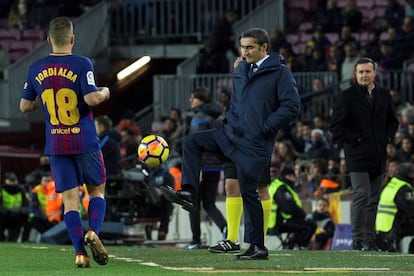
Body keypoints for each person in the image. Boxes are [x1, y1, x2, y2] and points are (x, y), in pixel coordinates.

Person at [162, 27, 301, 260]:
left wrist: (265, 128)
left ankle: (258, 247)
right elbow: (237, 101)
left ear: (264, 48)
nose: (244, 52)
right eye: (242, 47)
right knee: (191, 142)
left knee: (249, 191)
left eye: (250, 48)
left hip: (255, 144)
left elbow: (292, 106)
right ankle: (188, 192)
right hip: (229, 134)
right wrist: (228, 122)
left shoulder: (280, 73)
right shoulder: (240, 69)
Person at [19, 17, 110, 268]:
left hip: (56, 143)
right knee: (96, 191)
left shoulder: (36, 67)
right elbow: (91, 99)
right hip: (84, 140)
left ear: (49, 40)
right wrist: (105, 91)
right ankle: (93, 231)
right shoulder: (82, 63)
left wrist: (42, 99)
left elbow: (24, 105)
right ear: (72, 39)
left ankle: (80, 253)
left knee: (70, 200)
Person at [329, 57, 399, 251]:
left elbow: (393, 122)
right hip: (357, 155)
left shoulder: (384, 95)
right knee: (362, 194)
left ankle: (369, 239)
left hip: (378, 155)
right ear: (355, 74)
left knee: (374, 198)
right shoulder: (346, 96)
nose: (364, 75)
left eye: (368, 71)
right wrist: (355, 139)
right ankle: (358, 239)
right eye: (360, 72)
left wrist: (387, 138)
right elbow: (335, 126)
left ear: (374, 73)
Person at [183, 87, 227, 250]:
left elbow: (198, 143)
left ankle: (195, 241)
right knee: (209, 203)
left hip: (202, 166)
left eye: (193, 98)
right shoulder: (218, 116)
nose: (190, 100)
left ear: (201, 100)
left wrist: (198, 168)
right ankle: (226, 230)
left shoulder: (199, 118)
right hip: (215, 166)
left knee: (192, 204)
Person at [267, 166, 316, 249]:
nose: (295, 179)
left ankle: (292, 245)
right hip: (277, 223)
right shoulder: (281, 188)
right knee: (309, 226)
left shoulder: (278, 185)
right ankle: (297, 247)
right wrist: (302, 214)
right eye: (294, 176)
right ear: (288, 176)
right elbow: (288, 207)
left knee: (306, 224)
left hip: (274, 221)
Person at [376, 162, 414, 252]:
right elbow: (411, 210)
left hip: (382, 226)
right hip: (393, 227)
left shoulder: (392, 184)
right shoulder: (404, 188)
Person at [0, 172, 30, 242]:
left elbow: (26, 204)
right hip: (4, 216)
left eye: (14, 181)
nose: (13, 183)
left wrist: (21, 211)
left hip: (17, 215)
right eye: (10, 181)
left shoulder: (21, 190)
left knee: (28, 218)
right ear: (6, 181)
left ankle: (24, 240)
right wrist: (7, 212)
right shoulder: (1, 190)